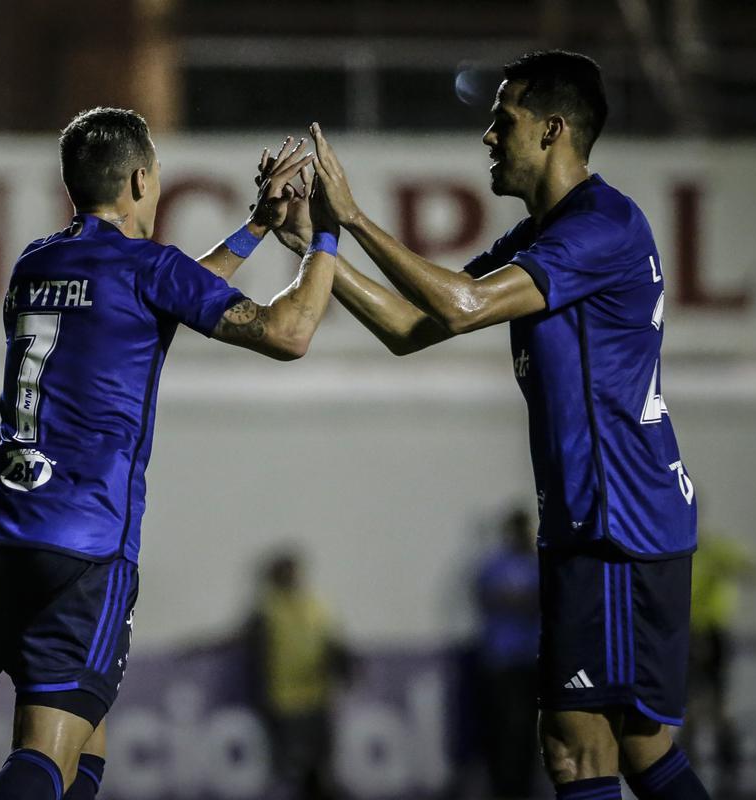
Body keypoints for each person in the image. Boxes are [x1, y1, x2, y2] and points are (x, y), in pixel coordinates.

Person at [265, 50, 707, 800]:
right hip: (605, 521)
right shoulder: (542, 237)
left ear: (553, 131)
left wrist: (356, 219)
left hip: (615, 526)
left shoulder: (602, 226)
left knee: (575, 749)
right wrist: (320, 246)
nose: (487, 138)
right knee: (637, 747)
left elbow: (459, 307)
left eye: (503, 120)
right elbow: (411, 325)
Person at [0, 106, 341, 800]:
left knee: (84, 748)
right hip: (81, 539)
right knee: (42, 757)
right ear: (140, 179)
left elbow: (154, 297)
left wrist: (254, 228)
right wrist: (326, 238)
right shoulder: (145, 268)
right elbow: (288, 332)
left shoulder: (36, 262)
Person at [245, 549, 350, 800]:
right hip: (285, 702)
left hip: (317, 698)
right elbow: (249, 644)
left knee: (319, 766)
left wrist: (345, 667)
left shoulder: (315, 607)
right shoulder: (269, 611)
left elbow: (332, 644)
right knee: (294, 767)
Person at [684, 528, 756, 790]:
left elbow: (752, 571)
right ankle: (695, 778)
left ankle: (729, 776)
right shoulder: (693, 549)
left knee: (715, 707)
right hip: (690, 633)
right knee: (695, 710)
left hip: (711, 633)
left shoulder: (711, 549)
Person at [473, 507, 541, 799]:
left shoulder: (538, 563)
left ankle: (526, 788)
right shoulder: (495, 565)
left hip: (531, 660)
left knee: (528, 731)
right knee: (504, 731)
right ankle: (504, 789)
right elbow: (493, 597)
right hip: (502, 662)